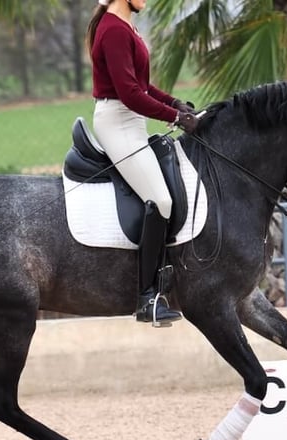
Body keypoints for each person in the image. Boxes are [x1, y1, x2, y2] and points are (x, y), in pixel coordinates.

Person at [86, 0, 200, 326]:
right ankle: (147, 297)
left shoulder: (126, 27)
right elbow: (129, 94)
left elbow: (142, 86)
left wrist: (174, 102)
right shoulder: (112, 30)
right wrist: (176, 118)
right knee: (160, 200)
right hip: (118, 123)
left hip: (131, 122)